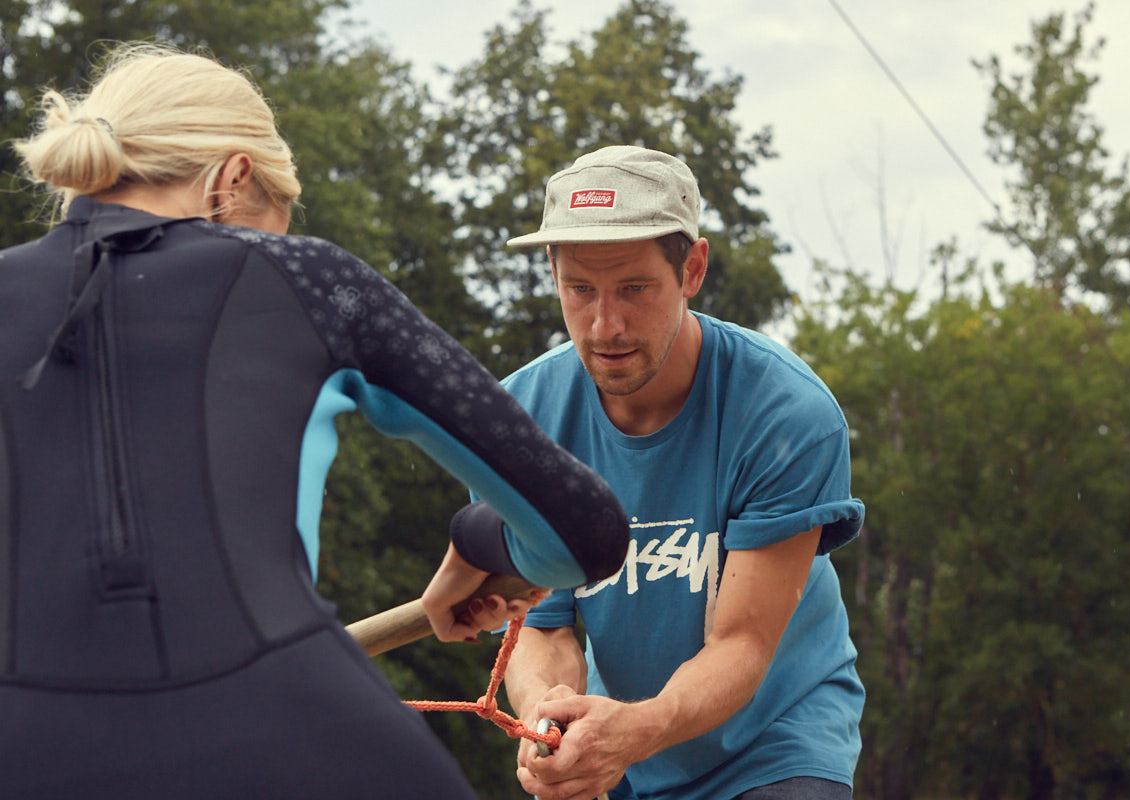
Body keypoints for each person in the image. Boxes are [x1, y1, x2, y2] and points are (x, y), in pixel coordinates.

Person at [0, 44, 628, 799]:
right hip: (281, 731)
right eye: (278, 221)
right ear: (232, 181)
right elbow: (586, 533)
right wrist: (476, 542)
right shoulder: (310, 281)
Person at [497, 146, 866, 800]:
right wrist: (546, 717)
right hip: (619, 736)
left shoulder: (787, 415)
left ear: (692, 268)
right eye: (579, 290)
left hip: (777, 740)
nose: (604, 325)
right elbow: (543, 626)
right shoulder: (517, 424)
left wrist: (639, 727)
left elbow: (743, 644)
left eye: (635, 289)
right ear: (552, 271)